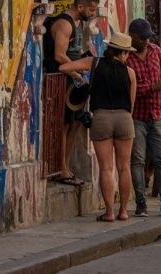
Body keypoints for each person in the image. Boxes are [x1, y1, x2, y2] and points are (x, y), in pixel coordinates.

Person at [60, 32, 136, 221]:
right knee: (124, 167)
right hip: (124, 119)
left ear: (109, 48)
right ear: (125, 53)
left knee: (106, 168)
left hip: (101, 118)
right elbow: (131, 105)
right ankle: (124, 211)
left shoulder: (94, 63)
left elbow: (63, 66)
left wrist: (81, 78)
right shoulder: (130, 73)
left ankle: (109, 212)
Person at [125, 18, 161, 219]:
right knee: (138, 160)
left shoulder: (156, 51)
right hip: (137, 116)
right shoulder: (126, 57)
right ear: (133, 37)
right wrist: (152, 87)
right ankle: (140, 202)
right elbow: (127, 88)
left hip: (156, 115)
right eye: (143, 38)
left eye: (148, 38)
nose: (146, 42)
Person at [43, 0, 100, 186]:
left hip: (75, 83)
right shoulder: (64, 24)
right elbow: (59, 55)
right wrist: (76, 72)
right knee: (63, 125)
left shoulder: (78, 24)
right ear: (80, 6)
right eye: (91, 9)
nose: (92, 13)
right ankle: (61, 169)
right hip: (63, 81)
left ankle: (66, 165)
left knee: (75, 123)